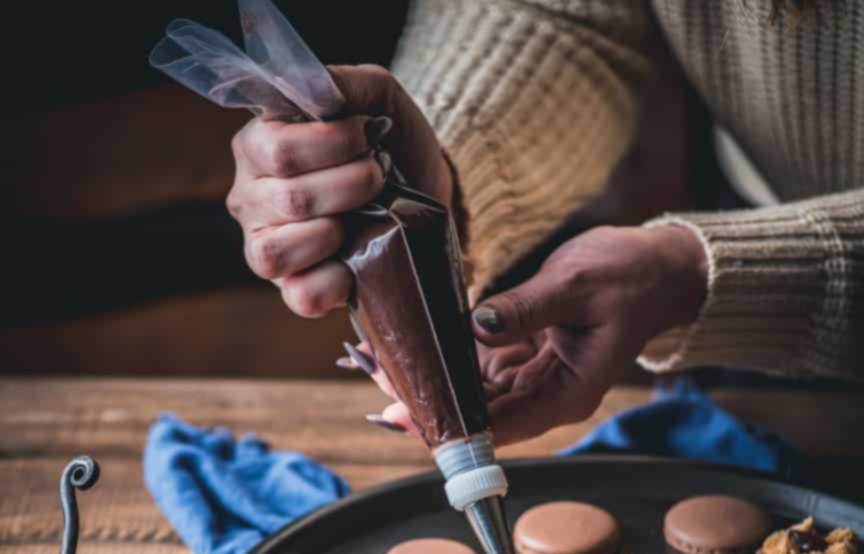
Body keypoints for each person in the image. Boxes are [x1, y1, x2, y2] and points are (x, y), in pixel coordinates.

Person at [227, 0, 863, 445]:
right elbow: (568, 15)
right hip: (751, 336)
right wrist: (442, 167)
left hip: (750, 279)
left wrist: (707, 274)